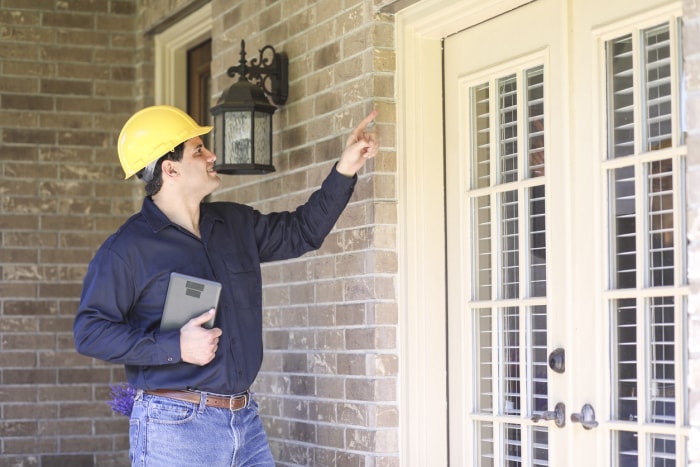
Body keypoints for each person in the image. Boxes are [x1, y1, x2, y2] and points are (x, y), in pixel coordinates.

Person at [73, 104, 379, 466]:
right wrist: (175, 346)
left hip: (244, 421)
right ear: (170, 169)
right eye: (198, 150)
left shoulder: (235, 223)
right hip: (174, 428)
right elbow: (90, 332)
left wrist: (345, 169)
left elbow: (302, 232)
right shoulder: (127, 249)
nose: (212, 155)